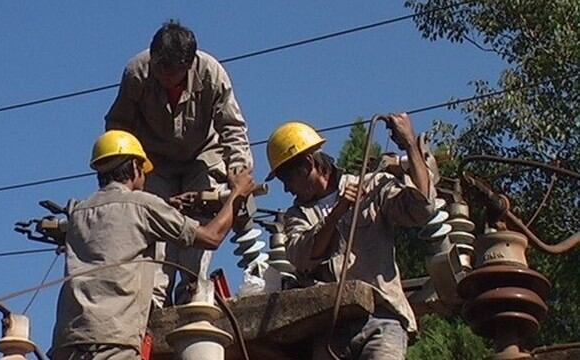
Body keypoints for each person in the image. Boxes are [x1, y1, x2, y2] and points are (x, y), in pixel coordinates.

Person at [49, 130, 255, 360]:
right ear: (135, 167)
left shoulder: (78, 212)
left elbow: (119, 224)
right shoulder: (144, 205)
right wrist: (237, 193)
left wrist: (165, 208)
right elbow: (211, 237)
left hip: (66, 342)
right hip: (112, 341)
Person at [105, 20, 253, 307]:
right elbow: (118, 125)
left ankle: (191, 298)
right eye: (158, 66)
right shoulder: (137, 72)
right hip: (154, 162)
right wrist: (122, 179)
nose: (162, 74)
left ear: (188, 64)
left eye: (170, 70)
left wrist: (238, 173)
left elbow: (232, 127)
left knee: (196, 232)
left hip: (202, 156)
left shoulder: (212, 73)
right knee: (156, 237)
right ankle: (153, 305)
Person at [265, 114, 436, 360]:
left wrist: (410, 144)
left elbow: (422, 210)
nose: (286, 188)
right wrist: (338, 212)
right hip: (330, 330)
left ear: (308, 163)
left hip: (381, 318)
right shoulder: (297, 215)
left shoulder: (373, 187)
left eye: (287, 178)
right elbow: (303, 257)